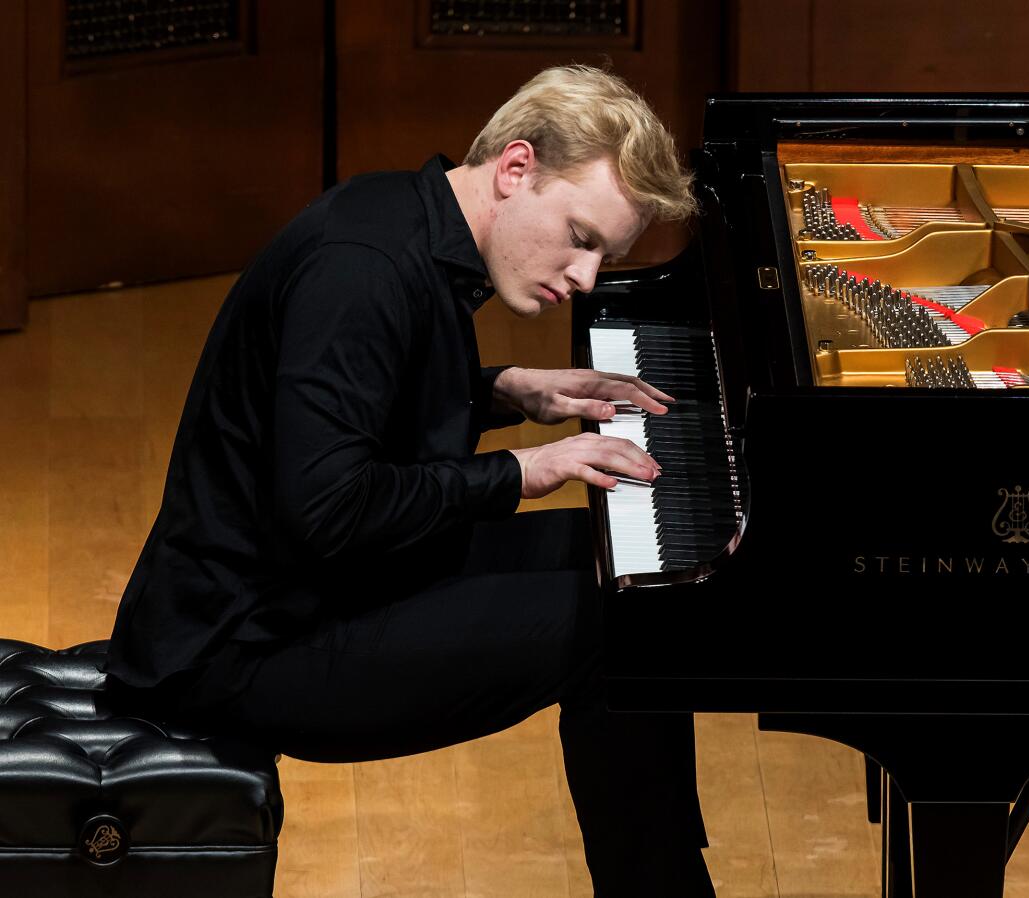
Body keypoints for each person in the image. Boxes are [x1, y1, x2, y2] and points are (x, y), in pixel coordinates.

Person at [102, 65, 714, 895]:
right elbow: (325, 507)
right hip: (242, 644)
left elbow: (365, 405)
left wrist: (507, 391)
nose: (585, 278)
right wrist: (520, 472)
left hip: (319, 585)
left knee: (634, 582)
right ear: (516, 168)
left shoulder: (399, 217)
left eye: (602, 254)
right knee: (621, 634)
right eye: (581, 236)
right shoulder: (360, 271)